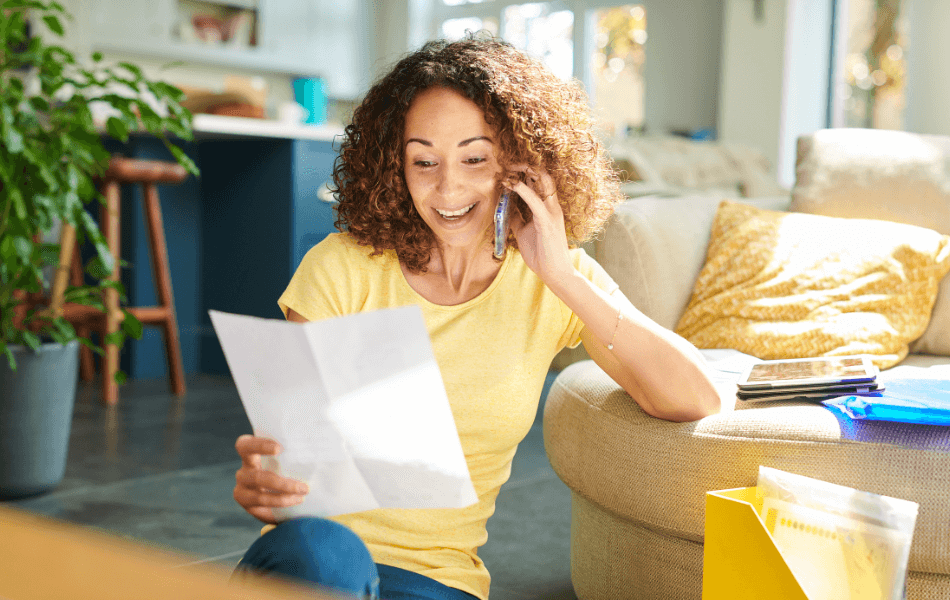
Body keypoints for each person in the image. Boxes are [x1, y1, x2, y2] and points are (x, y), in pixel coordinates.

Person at [231, 35, 721, 600]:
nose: (448, 187)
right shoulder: (342, 268)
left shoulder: (552, 280)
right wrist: (264, 484)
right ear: (395, 166)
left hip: (434, 579)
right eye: (424, 161)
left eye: (475, 158)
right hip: (313, 564)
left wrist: (559, 274)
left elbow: (696, 397)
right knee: (327, 553)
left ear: (521, 167)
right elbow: (288, 458)